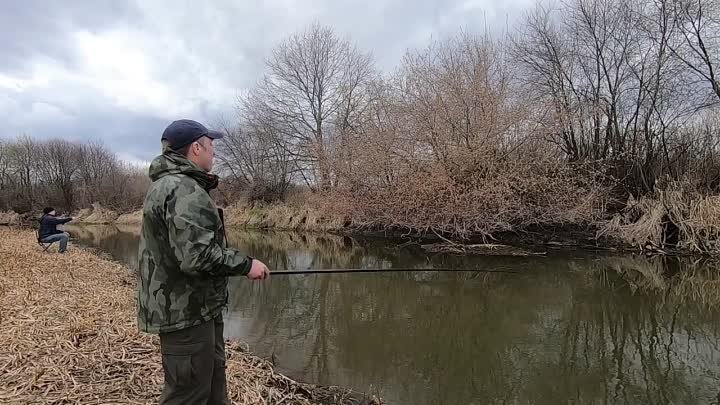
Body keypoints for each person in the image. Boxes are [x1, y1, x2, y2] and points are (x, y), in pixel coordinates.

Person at [137, 119, 271, 405]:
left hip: (197, 308)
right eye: (211, 146)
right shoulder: (183, 189)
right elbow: (196, 257)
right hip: (185, 312)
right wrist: (247, 265)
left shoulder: (171, 185)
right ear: (196, 148)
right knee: (188, 394)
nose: (214, 153)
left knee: (211, 385)